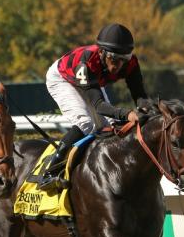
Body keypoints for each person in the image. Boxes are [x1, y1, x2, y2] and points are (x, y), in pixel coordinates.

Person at [39, 23, 147, 191]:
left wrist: (148, 109)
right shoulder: (87, 62)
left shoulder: (131, 63)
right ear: (102, 52)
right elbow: (99, 106)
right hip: (62, 78)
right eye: (113, 58)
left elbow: (140, 96)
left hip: (91, 81)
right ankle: (49, 173)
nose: (118, 65)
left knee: (108, 126)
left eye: (123, 59)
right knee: (86, 124)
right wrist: (128, 114)